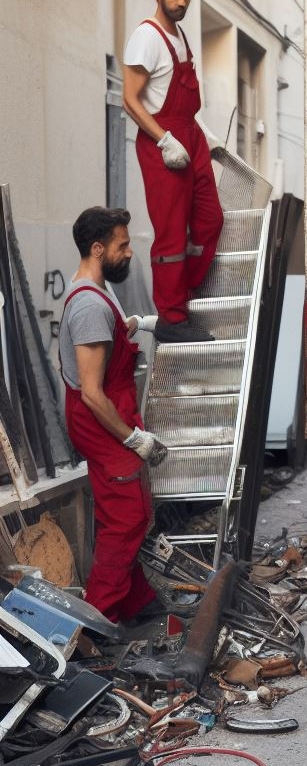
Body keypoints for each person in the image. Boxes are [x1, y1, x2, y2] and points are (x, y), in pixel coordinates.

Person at [59, 207, 168, 624]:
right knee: (127, 520)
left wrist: (135, 324)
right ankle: (97, 618)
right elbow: (90, 393)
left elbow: (109, 342)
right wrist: (132, 438)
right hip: (102, 422)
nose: (129, 253)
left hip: (111, 417)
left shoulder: (98, 289)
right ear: (98, 248)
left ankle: (136, 601)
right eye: (122, 246)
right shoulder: (88, 305)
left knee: (120, 514)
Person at [122, 0, 224, 344]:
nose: (181, 2)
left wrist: (201, 133)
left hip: (189, 133)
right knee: (170, 235)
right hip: (161, 140)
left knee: (210, 219)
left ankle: (185, 292)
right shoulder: (145, 37)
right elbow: (131, 101)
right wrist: (165, 140)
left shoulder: (180, 34)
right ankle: (171, 317)